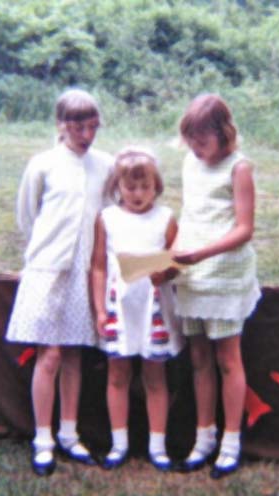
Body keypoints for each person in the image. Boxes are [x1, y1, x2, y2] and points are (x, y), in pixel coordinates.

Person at [5, 88, 113, 476]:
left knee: (73, 354)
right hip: (48, 268)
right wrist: (49, 251)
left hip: (86, 270)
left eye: (93, 126)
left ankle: (70, 434)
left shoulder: (106, 165)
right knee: (48, 354)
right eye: (79, 126)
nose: (86, 134)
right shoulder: (43, 164)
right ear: (61, 125)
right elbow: (28, 215)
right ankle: (43, 439)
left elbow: (112, 216)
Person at [172, 94, 261, 479]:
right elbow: (190, 213)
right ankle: (203, 438)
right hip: (191, 274)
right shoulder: (189, 163)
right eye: (191, 140)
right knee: (198, 360)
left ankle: (231, 442)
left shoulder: (239, 168)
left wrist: (202, 253)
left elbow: (244, 229)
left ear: (223, 134)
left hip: (224, 274)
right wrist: (172, 253)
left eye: (203, 141)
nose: (196, 147)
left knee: (227, 359)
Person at [90, 147, 183, 472]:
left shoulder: (166, 218)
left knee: (154, 376)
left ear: (156, 186)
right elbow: (99, 266)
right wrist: (100, 310)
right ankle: (119, 445)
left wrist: (166, 268)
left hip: (153, 310)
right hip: (120, 308)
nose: (139, 194)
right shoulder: (107, 218)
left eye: (146, 187)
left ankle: (158, 447)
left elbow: (177, 261)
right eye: (131, 188)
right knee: (118, 375)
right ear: (118, 187)